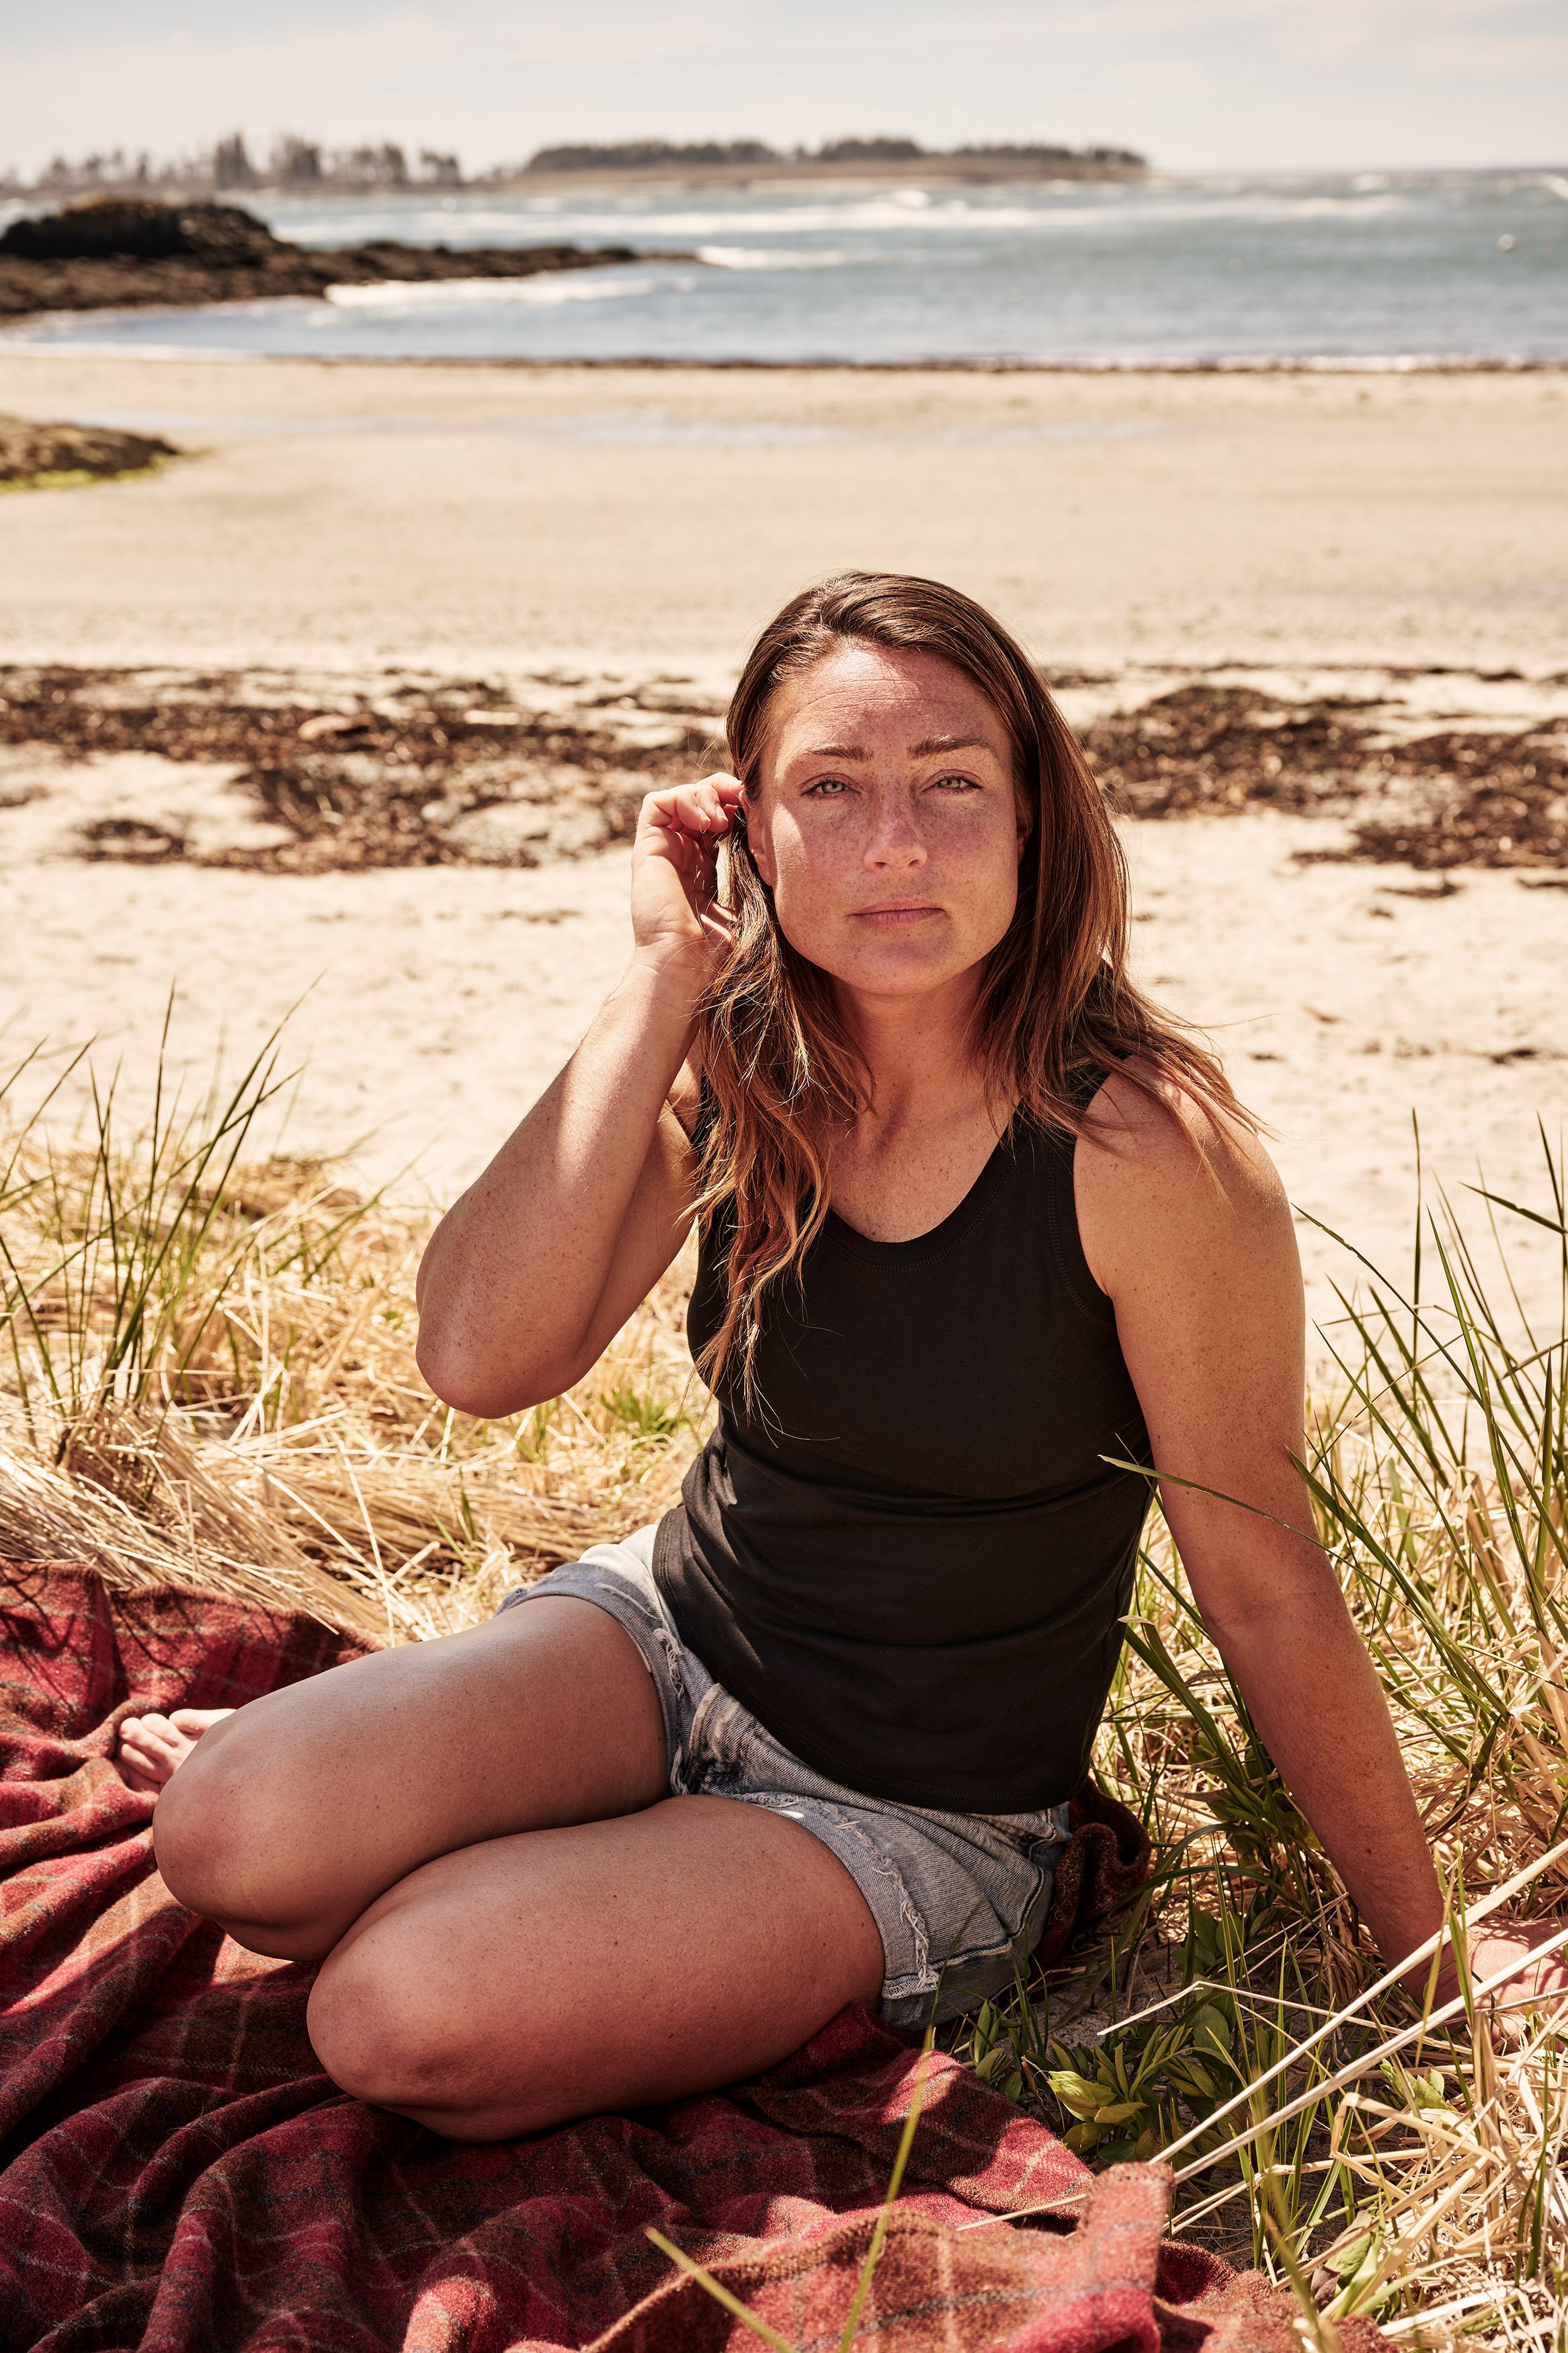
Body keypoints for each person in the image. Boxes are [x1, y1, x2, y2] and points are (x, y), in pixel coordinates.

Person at [124, 572, 1563, 2143]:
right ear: (751, 832)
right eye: (832, 788)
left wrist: (1424, 1962)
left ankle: (589, 1880)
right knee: (224, 1832)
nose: (895, 846)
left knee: (392, 2014)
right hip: (664, 1640)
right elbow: (479, 1356)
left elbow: (1266, 1584)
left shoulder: (1142, 1148)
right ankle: (548, 1840)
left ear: (1034, 824)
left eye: (953, 784)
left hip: (907, 1807)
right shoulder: (744, 1066)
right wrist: (665, 978)